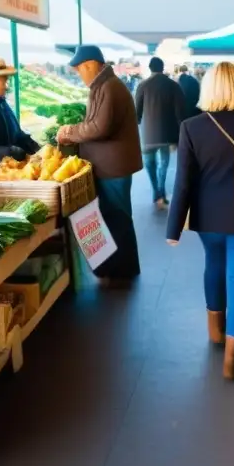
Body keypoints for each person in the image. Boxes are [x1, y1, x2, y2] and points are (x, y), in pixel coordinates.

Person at [166, 62, 234, 379]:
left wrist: (174, 228)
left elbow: (183, 181)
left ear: (209, 88)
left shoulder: (191, 127)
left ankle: (215, 331)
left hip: (208, 218)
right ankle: (232, 359)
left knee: (213, 265)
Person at [57, 46, 143, 286]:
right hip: (110, 164)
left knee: (118, 217)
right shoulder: (104, 86)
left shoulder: (109, 88)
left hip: (113, 167)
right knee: (115, 216)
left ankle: (123, 269)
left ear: (90, 65)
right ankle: (119, 267)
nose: (80, 75)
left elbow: (99, 128)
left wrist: (70, 132)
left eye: (79, 70)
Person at [135, 57, 185, 209]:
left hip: (148, 135)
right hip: (167, 134)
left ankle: (156, 192)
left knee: (150, 164)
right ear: (162, 68)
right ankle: (161, 193)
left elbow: (137, 112)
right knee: (163, 165)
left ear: (150, 68)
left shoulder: (142, 85)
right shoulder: (173, 86)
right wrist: (179, 137)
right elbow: (180, 113)